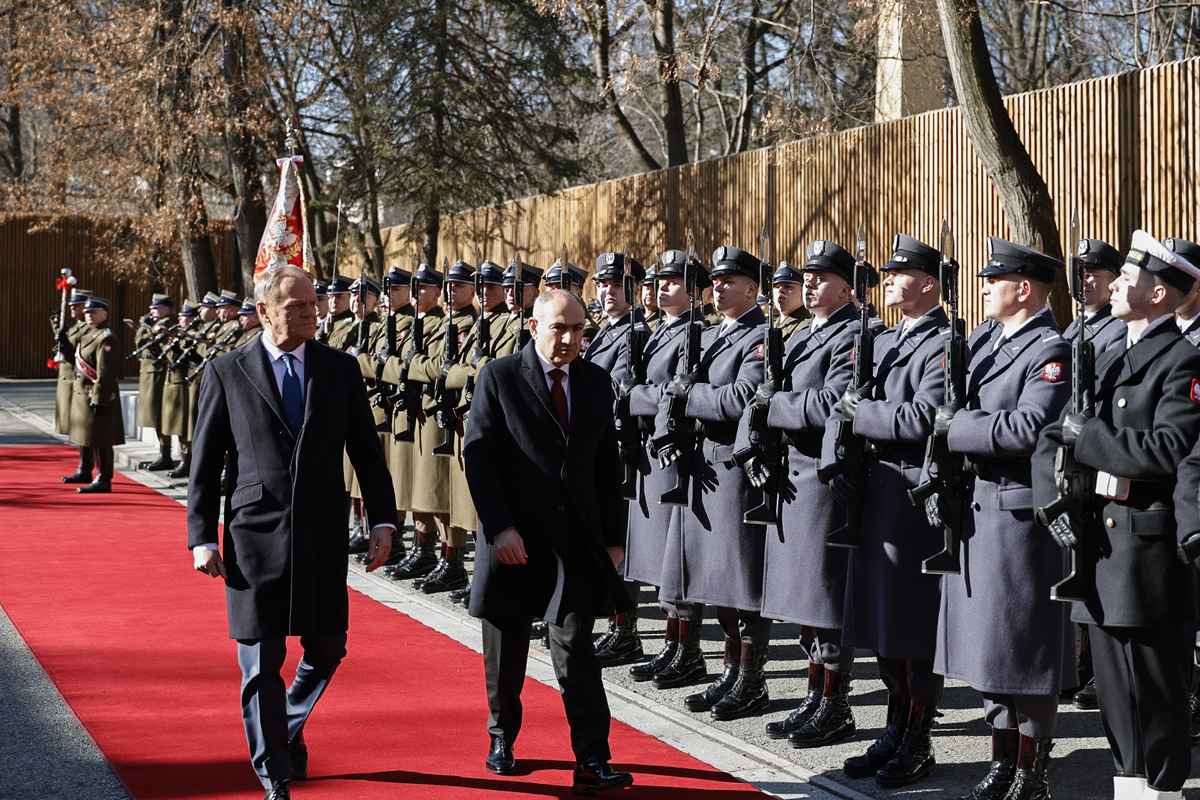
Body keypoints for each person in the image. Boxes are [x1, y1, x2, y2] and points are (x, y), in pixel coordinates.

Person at [187, 266, 398, 800]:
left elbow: (366, 452)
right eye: (298, 305)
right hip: (252, 537)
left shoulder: (339, 368)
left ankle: (283, 727)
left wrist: (383, 519)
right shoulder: (226, 370)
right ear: (264, 311)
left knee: (327, 647)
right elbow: (204, 463)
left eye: (314, 303)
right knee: (261, 662)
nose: (312, 312)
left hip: (321, 533)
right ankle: (274, 776)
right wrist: (201, 537)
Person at [1035, 231, 1200, 800]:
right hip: (1099, 552)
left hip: (1147, 554)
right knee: (1114, 699)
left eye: (1128, 278)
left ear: (1158, 294)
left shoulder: (1183, 362)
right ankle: (1130, 789)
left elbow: (1169, 450)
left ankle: (1162, 791)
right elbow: (1051, 438)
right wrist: (1050, 501)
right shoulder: (1106, 359)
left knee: (1155, 694)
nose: (1115, 285)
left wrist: (1090, 438)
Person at [463, 289, 634, 794]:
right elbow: (479, 457)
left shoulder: (595, 381)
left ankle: (592, 758)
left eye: (578, 329)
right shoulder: (499, 376)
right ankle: (502, 737)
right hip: (514, 538)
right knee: (506, 649)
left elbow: (607, 465)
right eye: (559, 327)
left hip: (574, 542)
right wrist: (500, 528)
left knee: (576, 648)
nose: (569, 339)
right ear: (534, 326)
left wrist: (614, 538)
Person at [932, 237, 1074, 799]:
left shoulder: (1051, 350)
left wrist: (956, 427)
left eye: (995, 281)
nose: (985, 288)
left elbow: (1029, 429)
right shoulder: (985, 342)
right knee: (990, 646)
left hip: (1018, 517)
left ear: (1024, 288)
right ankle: (1002, 759)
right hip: (976, 509)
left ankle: (1032, 771)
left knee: (1025, 645)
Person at [833, 233, 949, 787]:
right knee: (881, 624)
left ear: (927, 283)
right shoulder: (880, 340)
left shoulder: (943, 343)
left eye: (899, 273)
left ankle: (918, 737)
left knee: (911, 625)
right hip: (874, 496)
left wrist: (863, 414)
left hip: (908, 497)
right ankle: (893, 727)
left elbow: (923, 417)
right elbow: (845, 405)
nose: (889, 281)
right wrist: (838, 451)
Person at [746, 241, 859, 747]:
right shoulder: (803, 333)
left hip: (820, 475)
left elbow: (833, 402)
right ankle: (815, 696)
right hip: (791, 474)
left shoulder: (852, 334)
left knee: (824, 597)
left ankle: (835, 702)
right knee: (802, 598)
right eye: (807, 276)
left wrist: (775, 406)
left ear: (847, 288)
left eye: (821, 277)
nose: (809, 283)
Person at [654, 245, 769, 721]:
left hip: (731, 470)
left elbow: (742, 398)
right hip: (702, 467)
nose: (717, 288)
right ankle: (729, 670)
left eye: (729, 282)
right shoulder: (712, 334)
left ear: (752, 289)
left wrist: (691, 395)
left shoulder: (760, 336)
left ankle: (751, 679)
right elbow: (673, 389)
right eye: (715, 282)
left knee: (741, 581)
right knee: (715, 581)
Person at [623, 249, 711, 687]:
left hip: (670, 451)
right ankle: (672, 645)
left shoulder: (696, 333)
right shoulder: (660, 330)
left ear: (696, 292)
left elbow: (671, 393)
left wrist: (632, 395)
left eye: (673, 281)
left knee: (674, 556)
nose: (662, 287)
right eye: (660, 281)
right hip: (648, 448)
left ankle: (687, 650)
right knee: (660, 556)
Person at [584, 251, 651, 666]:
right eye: (602, 285)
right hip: (597, 446)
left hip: (619, 449)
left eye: (616, 285)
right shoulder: (607, 331)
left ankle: (625, 631)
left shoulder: (635, 333)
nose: (608, 292)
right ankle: (612, 622)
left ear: (634, 290)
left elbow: (616, 392)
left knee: (618, 539)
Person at [69, 297, 126, 493]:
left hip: (98, 395)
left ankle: (103, 479)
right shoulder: (89, 333)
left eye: (93, 312)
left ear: (105, 314)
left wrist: (100, 399)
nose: (89, 315)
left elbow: (106, 373)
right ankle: (86, 471)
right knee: (87, 436)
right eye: (87, 312)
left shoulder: (106, 337)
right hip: (85, 394)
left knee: (101, 439)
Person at [135, 293, 177, 471]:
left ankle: (166, 455)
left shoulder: (165, 324)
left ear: (166, 309)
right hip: (149, 373)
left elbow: (142, 339)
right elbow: (140, 342)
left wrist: (144, 328)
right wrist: (146, 328)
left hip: (158, 374)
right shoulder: (155, 325)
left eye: (156, 308)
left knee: (159, 416)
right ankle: (163, 454)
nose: (152, 311)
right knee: (155, 417)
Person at [58, 289, 94, 483]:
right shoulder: (75, 326)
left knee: (84, 430)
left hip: (79, 381)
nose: (72, 308)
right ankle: (84, 467)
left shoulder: (87, 329)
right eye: (71, 305)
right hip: (70, 381)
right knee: (77, 429)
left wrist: (64, 341)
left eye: (76, 305)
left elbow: (77, 355)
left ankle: (86, 469)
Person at [769, 261, 811, 344]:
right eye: (777, 287)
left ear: (802, 293)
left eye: (788, 286)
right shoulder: (772, 325)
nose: (781, 290)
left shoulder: (807, 327)